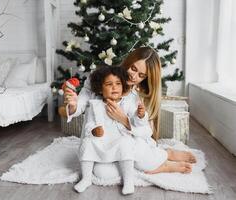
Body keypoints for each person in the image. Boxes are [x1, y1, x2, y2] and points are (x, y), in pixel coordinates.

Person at [64, 47, 196, 177]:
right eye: (133, 68)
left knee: (139, 158)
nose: (134, 76)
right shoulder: (100, 77)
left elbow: (146, 132)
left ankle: (165, 159)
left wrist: (124, 119)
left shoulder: (137, 96)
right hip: (101, 142)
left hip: (127, 142)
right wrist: (73, 105)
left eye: (141, 75)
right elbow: (80, 103)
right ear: (128, 61)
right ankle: (151, 161)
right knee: (101, 173)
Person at [75, 66, 141, 195]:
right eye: (109, 84)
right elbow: (89, 124)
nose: (114, 87)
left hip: (118, 139)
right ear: (100, 88)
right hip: (101, 140)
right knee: (87, 143)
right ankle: (86, 178)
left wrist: (141, 114)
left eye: (118, 84)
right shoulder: (95, 103)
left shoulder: (126, 103)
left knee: (126, 143)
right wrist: (94, 131)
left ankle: (128, 180)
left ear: (123, 86)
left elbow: (134, 122)